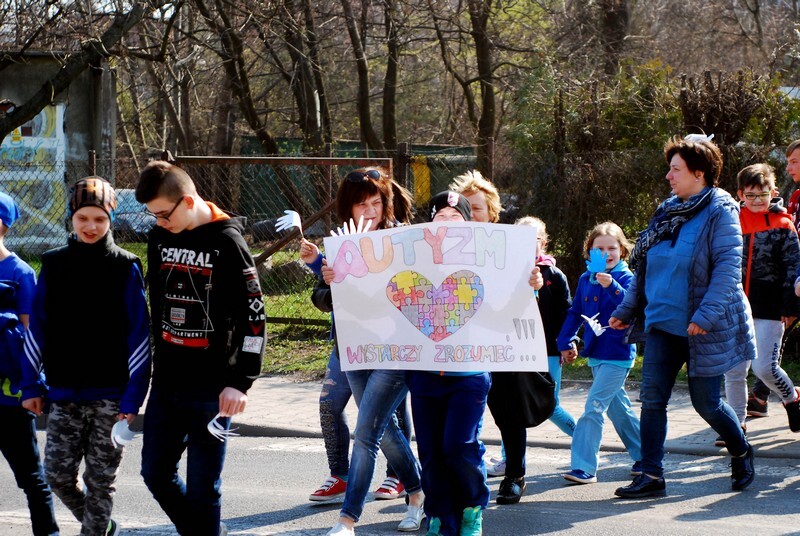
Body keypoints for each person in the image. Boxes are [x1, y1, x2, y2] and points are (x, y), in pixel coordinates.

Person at [610, 134, 756, 498]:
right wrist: (627, 309)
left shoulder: (721, 210)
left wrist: (706, 315)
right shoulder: (667, 210)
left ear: (700, 173)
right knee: (653, 399)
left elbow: (727, 268)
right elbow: (643, 267)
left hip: (702, 326)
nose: (669, 177)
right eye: (670, 169)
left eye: (675, 170)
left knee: (706, 403)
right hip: (661, 322)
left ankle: (741, 450)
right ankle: (652, 475)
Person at [136, 161, 266, 536]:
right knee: (155, 474)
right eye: (154, 216)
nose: (158, 222)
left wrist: (241, 381)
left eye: (163, 213)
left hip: (214, 390)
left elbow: (255, 315)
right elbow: (157, 302)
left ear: (188, 201)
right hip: (167, 383)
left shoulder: (227, 241)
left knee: (203, 491)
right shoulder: (159, 237)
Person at [20, 177, 151, 536]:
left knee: (100, 481)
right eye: (83, 219)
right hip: (63, 395)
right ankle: (102, 526)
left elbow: (140, 336)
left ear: (110, 219)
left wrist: (133, 397)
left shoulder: (126, 267)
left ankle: (94, 530)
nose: (91, 227)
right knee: (57, 477)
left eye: (99, 219)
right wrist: (31, 384)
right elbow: (38, 329)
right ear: (72, 220)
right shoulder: (54, 264)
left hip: (111, 396)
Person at [317, 167, 424, 536]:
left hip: (397, 350)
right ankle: (417, 492)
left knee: (366, 434)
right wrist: (329, 281)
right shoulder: (339, 243)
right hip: (354, 348)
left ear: (385, 202)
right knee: (387, 431)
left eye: (375, 202)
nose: (369, 211)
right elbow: (320, 299)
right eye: (361, 204)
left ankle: (348, 519)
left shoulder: (404, 239)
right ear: (348, 208)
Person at [407, 190, 488, 536]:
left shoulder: (486, 262)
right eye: (441, 218)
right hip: (424, 376)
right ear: (430, 223)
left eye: (457, 218)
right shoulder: (411, 263)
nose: (449, 224)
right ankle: (440, 514)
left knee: (459, 446)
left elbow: (511, 301)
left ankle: (471, 508)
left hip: (469, 373)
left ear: (469, 225)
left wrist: (531, 286)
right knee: (430, 451)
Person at [486, 215, 575, 505]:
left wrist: (568, 343)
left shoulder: (552, 274)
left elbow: (565, 312)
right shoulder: (498, 269)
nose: (525, 246)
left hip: (540, 353)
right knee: (503, 411)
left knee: (545, 405)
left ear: (543, 242)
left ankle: (582, 440)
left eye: (532, 239)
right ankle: (512, 470)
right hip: (500, 351)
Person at [557, 222, 641, 484]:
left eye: (612, 248)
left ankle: (584, 467)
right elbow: (575, 313)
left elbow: (632, 306)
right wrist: (565, 340)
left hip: (619, 353)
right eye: (599, 248)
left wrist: (612, 285)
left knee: (593, 407)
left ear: (622, 251)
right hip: (596, 352)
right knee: (619, 409)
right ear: (590, 251)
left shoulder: (628, 278)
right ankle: (646, 455)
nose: (606, 254)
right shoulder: (585, 279)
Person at [720, 164, 800, 437]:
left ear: (773, 192)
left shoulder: (784, 225)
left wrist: (791, 307)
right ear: (740, 194)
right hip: (734, 306)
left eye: (762, 194)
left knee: (765, 367)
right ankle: (736, 424)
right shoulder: (730, 221)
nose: (756, 201)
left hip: (771, 307)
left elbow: (793, 268)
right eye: (750, 195)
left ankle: (792, 398)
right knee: (734, 369)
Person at [0, 192, 60, 536]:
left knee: (31, 477)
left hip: (9, 397)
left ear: (4, 225)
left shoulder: (20, 272)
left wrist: (31, 387)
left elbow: (31, 335)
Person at [750, 139, 800, 417]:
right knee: (770, 346)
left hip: (793, 282)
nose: (788, 166)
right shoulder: (795, 196)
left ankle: (762, 395)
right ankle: (760, 396)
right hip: (791, 282)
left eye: (794, 160)